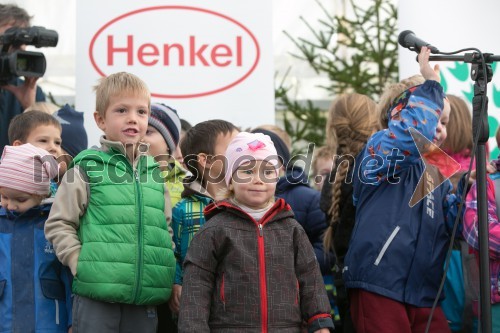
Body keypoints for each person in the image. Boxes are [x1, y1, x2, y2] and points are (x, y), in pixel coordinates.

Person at [44, 72, 176, 333]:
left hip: (145, 299)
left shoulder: (154, 172)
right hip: (97, 297)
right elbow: (59, 222)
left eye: (141, 111)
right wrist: (78, 261)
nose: (133, 118)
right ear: (100, 119)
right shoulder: (86, 167)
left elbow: (165, 228)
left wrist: (165, 268)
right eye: (122, 110)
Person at [343, 47, 462, 332]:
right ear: (401, 113)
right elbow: (409, 140)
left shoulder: (438, 166)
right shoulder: (381, 145)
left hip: (423, 289)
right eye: (434, 117)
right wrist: (430, 85)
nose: (439, 128)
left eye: (444, 122)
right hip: (381, 281)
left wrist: (469, 189)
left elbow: (452, 225)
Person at [178, 132, 334, 332]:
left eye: (268, 172)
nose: (258, 180)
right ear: (231, 180)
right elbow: (197, 285)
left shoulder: (291, 228)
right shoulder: (215, 229)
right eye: (247, 171)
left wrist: (319, 322)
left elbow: (310, 277)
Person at [319, 93, 379, 333]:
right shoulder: (376, 171)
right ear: (374, 124)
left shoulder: (336, 176)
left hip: (346, 282)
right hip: (375, 288)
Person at [168, 120, 239, 316]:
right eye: (234, 148)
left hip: (239, 306)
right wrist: (176, 282)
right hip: (197, 305)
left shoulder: (247, 205)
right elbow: (171, 251)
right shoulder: (182, 209)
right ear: (206, 160)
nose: (242, 153)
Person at [0, 143, 72, 332]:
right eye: (4, 197)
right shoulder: (2, 224)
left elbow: (70, 277)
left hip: (48, 322)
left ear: (41, 194)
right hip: (6, 320)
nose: (10, 205)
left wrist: (73, 320)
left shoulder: (55, 223)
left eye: (20, 199)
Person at [0, 4, 46, 151]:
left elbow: (46, 149)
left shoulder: (32, 92)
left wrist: (30, 107)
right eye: (7, 40)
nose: (14, 48)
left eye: (20, 42)